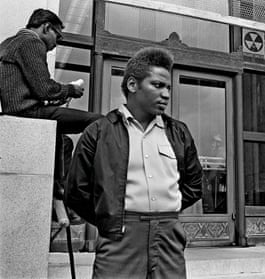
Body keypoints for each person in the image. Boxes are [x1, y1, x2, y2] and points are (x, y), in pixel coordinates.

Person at [65, 47, 203, 279]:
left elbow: (194, 185)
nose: (166, 94)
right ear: (132, 85)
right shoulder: (99, 132)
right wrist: (111, 217)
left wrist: (167, 211)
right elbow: (76, 192)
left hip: (168, 237)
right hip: (119, 238)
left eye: (168, 87)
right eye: (157, 85)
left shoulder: (179, 132)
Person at [0, 8, 102, 199]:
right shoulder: (31, 42)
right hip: (28, 111)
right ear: (47, 27)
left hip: (14, 110)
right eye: (58, 36)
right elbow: (45, 88)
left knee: (64, 143)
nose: (57, 44)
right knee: (98, 121)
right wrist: (71, 89)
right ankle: (86, 182)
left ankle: (57, 185)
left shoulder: (8, 43)